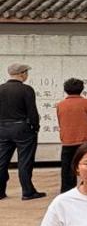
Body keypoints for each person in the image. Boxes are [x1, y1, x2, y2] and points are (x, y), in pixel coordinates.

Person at [0, 62, 45, 200]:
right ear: (22, 74)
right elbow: (32, 111)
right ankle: (27, 192)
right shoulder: (26, 89)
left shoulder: (0, 88)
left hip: (2, 129)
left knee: (2, 161)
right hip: (22, 128)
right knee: (25, 161)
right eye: (26, 73)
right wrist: (35, 127)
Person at [55, 78, 87, 193]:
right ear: (82, 89)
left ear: (65, 89)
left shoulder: (61, 105)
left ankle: (67, 191)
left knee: (67, 168)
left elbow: (61, 122)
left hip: (67, 141)